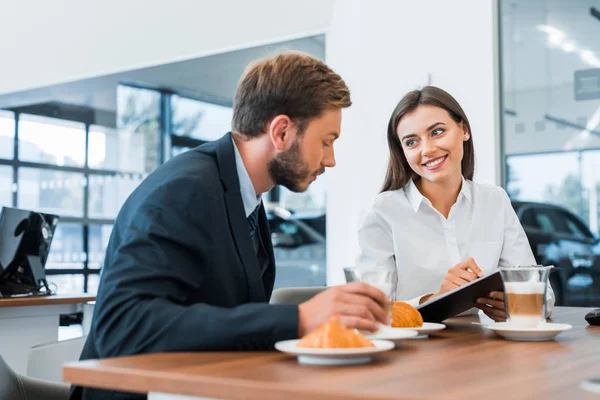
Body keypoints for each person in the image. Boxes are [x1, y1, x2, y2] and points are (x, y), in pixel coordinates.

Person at [72, 52, 389, 400]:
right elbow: (122, 327)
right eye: (326, 141)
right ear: (281, 131)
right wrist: (296, 319)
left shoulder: (244, 195)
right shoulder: (186, 189)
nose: (330, 159)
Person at [356, 86, 554, 322]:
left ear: (464, 130)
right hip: (415, 351)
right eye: (411, 142)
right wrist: (437, 299)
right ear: (403, 152)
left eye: (437, 132)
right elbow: (373, 312)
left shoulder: (494, 201)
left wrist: (518, 305)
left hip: (484, 346)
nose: (427, 149)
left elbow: (542, 295)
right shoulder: (382, 212)